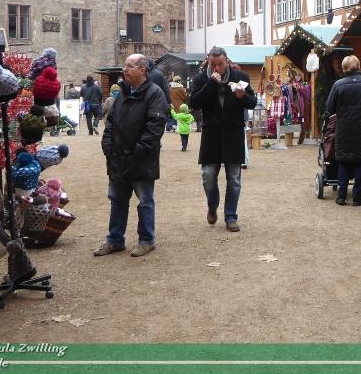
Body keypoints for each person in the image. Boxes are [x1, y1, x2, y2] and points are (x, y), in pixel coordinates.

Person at [95, 54, 169, 258]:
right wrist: (108, 148)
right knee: (117, 199)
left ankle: (147, 240)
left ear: (142, 70)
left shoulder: (155, 94)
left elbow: (154, 130)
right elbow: (110, 124)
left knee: (144, 201)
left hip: (141, 160)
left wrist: (136, 153)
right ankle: (115, 239)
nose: (124, 70)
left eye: (129, 66)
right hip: (118, 158)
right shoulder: (123, 94)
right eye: (124, 66)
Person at [187, 46, 257, 232]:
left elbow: (252, 102)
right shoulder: (201, 78)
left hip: (233, 134)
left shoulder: (240, 77)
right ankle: (212, 205)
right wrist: (211, 83)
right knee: (208, 176)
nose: (217, 68)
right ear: (208, 62)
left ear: (227, 61)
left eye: (220, 64)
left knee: (234, 179)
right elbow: (193, 102)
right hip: (211, 135)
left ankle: (231, 217)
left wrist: (243, 97)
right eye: (213, 64)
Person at [325, 55, 361, 206]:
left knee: (343, 162)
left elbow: (329, 108)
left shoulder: (338, 85)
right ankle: (357, 197)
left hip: (344, 129)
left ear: (344, 68)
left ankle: (342, 196)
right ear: (358, 66)